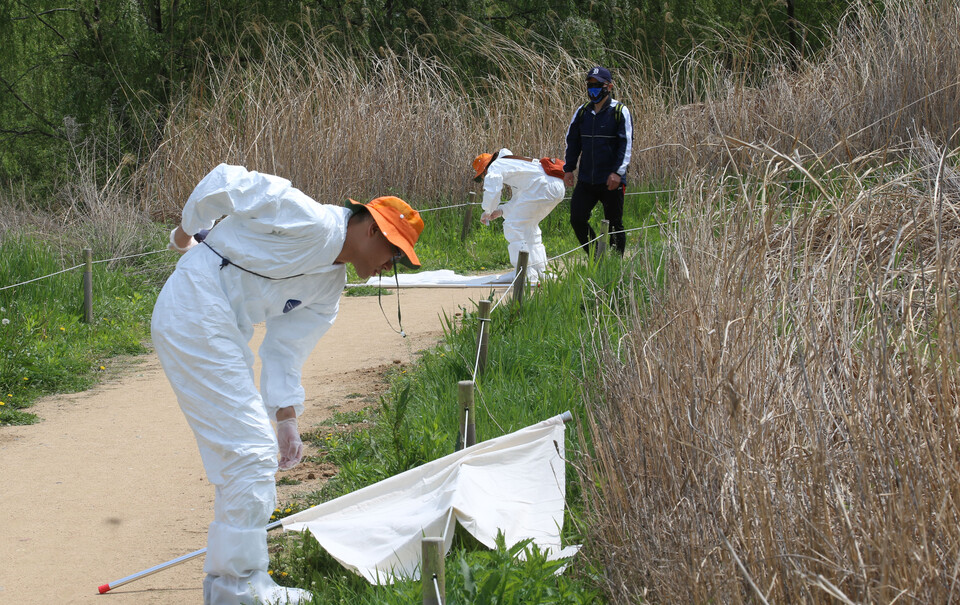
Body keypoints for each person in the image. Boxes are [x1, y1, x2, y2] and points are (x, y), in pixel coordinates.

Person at [151, 163, 423, 605]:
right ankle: (240, 587)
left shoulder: (330, 287)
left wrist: (287, 419)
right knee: (250, 452)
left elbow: (285, 349)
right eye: (393, 254)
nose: (388, 266)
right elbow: (226, 181)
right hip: (194, 307)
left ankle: (231, 585)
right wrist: (185, 232)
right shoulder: (309, 218)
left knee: (247, 455)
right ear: (372, 229)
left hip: (223, 327)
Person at [562, 65, 633, 256]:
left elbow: (626, 144)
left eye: (597, 85)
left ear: (609, 87)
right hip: (586, 179)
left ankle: (615, 265)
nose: (593, 89)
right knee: (577, 219)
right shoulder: (582, 112)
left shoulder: (620, 111)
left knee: (614, 225)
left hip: (611, 180)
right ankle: (597, 258)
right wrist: (568, 169)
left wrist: (617, 173)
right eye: (590, 85)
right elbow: (573, 141)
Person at [472, 148, 565, 283]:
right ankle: (540, 271)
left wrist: (487, 210)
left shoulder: (495, 166)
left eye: (482, 175)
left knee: (512, 226)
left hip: (541, 187)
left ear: (485, 168)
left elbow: (492, 189)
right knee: (529, 227)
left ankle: (524, 272)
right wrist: (501, 211)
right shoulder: (515, 164)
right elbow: (521, 197)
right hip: (555, 188)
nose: (484, 177)